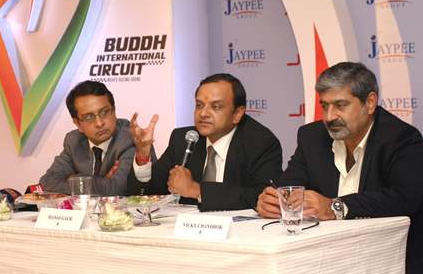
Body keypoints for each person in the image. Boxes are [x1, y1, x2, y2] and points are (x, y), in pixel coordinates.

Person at [256, 62, 423, 274]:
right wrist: (273, 200)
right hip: (323, 257)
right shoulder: (312, 136)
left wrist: (336, 207)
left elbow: (405, 198)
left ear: (369, 103)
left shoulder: (401, 138)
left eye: (340, 105)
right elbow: (289, 185)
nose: (329, 117)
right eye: (324, 106)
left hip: (385, 259)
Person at [127, 73, 282, 211]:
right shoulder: (184, 138)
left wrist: (196, 190)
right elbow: (147, 194)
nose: (203, 113)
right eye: (199, 105)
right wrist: (143, 154)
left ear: (237, 113)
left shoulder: (260, 142)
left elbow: (265, 197)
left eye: (216, 106)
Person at [40, 80, 148, 196]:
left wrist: (74, 178)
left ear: (114, 111)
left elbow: (115, 190)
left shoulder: (129, 138)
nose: (99, 123)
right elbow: (47, 182)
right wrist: (101, 181)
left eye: (104, 112)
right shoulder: (74, 141)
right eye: (89, 117)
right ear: (77, 124)